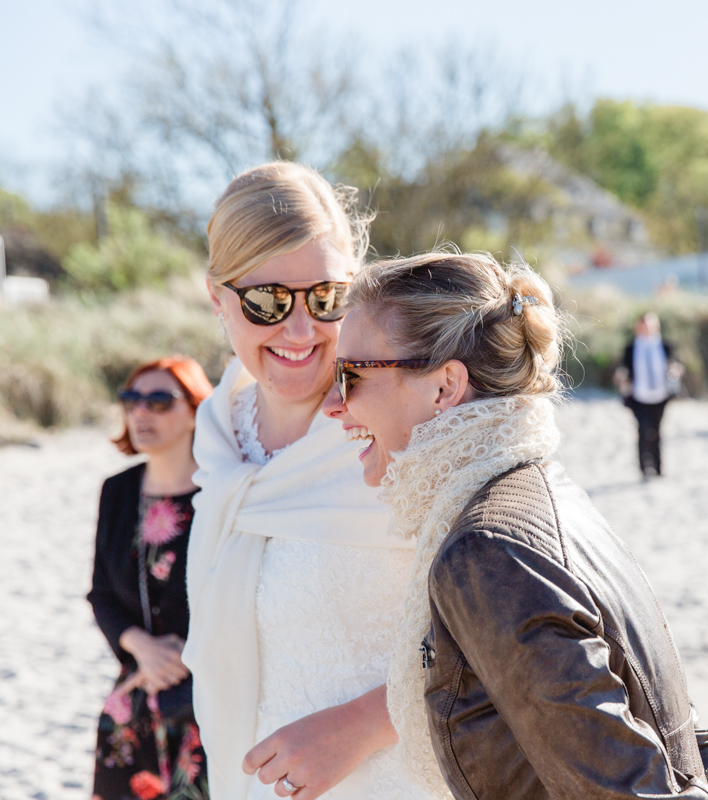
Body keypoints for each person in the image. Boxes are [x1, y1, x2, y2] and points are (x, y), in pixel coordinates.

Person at [323, 250, 708, 800]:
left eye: (350, 374)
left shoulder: (486, 551)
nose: (333, 404)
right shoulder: (544, 489)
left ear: (445, 386)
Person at [182, 162, 443, 800]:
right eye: (266, 301)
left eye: (326, 299)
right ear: (218, 298)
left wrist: (362, 725)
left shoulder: (411, 427)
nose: (299, 331)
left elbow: (508, 629)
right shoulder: (217, 432)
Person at [89, 355, 214, 800]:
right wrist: (142, 649)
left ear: (197, 412)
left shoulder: (221, 493)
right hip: (134, 699)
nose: (142, 411)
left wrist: (187, 656)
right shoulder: (117, 490)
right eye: (132, 399)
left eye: (160, 400)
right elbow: (101, 592)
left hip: (209, 700)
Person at [615, 312, 681, 478]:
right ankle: (644, 468)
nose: (647, 328)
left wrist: (675, 370)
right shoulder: (630, 347)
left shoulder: (665, 345)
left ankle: (659, 469)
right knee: (643, 430)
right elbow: (623, 369)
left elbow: (675, 363)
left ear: (656, 326)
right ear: (637, 327)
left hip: (661, 395)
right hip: (638, 396)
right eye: (644, 325)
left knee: (657, 431)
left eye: (650, 325)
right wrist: (621, 377)